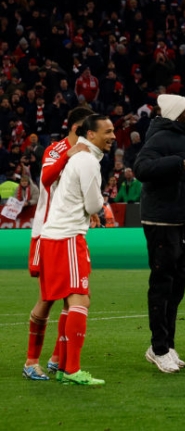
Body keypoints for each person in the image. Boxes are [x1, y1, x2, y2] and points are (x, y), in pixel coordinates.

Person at [39, 114, 115, 385]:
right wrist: (96, 206)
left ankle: (60, 363)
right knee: (79, 299)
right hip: (67, 238)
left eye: (113, 130)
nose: (113, 135)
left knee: (76, 298)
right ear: (90, 134)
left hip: (58, 236)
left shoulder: (81, 158)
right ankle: (71, 370)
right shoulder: (86, 160)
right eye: (107, 131)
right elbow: (94, 205)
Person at [22, 106, 93, 381]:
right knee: (49, 298)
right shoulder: (57, 148)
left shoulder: (86, 153)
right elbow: (46, 179)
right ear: (78, 128)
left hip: (69, 232)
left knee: (74, 298)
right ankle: (31, 362)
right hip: (48, 232)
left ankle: (57, 359)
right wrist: (67, 155)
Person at [133, 94, 185, 374]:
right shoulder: (161, 139)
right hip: (160, 219)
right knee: (162, 286)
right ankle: (158, 348)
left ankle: (167, 344)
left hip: (181, 219)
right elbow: (140, 168)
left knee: (177, 287)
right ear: (176, 114)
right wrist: (173, 163)